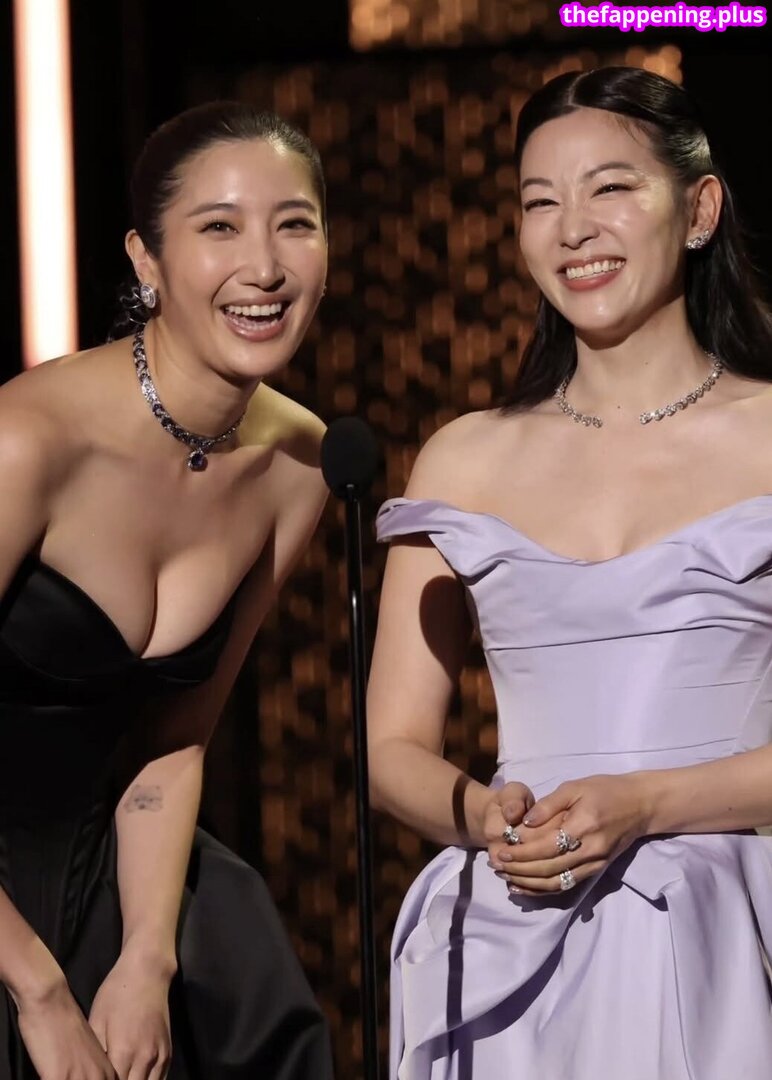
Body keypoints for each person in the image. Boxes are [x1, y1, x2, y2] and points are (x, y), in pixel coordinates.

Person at [368, 66, 772, 1079]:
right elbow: (391, 748)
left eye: (611, 188)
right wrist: (484, 817)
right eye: (540, 201)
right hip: (514, 930)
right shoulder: (464, 459)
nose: (574, 228)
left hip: (730, 924)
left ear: (699, 210)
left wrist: (649, 804)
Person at [0, 101, 334, 1079]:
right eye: (219, 227)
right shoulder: (28, 440)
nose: (264, 267)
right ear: (146, 260)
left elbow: (176, 738)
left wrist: (146, 961)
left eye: (294, 225)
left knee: (234, 982)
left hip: (117, 871)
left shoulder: (301, 465)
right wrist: (39, 991)